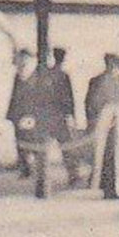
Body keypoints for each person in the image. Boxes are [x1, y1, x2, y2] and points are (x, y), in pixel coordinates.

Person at [86, 54, 119, 200]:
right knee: (108, 158)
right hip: (108, 126)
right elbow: (96, 102)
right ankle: (108, 189)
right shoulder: (105, 81)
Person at [45, 46, 84, 187]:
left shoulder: (48, 74)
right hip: (60, 118)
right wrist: (72, 117)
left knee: (48, 149)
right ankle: (73, 175)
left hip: (49, 117)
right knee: (67, 148)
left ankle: (45, 179)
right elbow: (69, 99)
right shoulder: (63, 75)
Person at [5, 48, 35, 178]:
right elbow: (14, 96)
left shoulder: (31, 76)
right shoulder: (18, 76)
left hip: (29, 115)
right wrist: (11, 114)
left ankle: (28, 168)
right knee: (20, 142)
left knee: (30, 141)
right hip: (18, 114)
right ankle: (24, 167)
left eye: (23, 59)